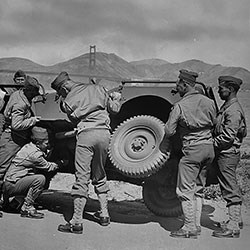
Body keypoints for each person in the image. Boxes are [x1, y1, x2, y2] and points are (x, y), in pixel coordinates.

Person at [50, 72, 121, 234]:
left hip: (86, 135)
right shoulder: (98, 88)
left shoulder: (67, 101)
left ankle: (76, 222)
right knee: (100, 173)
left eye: (60, 92)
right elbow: (114, 109)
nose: (61, 95)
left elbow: (73, 121)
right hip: (104, 134)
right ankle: (104, 215)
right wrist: (116, 98)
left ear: (63, 87)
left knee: (82, 177)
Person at [162, 69, 217, 239]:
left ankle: (189, 227)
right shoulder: (209, 102)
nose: (176, 86)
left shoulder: (180, 105)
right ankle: (197, 225)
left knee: (184, 191)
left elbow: (169, 131)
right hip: (209, 149)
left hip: (192, 150)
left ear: (185, 85)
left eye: (178, 83)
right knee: (198, 190)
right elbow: (216, 124)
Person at [212, 76, 247, 238]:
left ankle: (233, 227)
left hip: (227, 154)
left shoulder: (233, 110)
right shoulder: (228, 106)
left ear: (231, 89)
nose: (219, 90)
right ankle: (236, 219)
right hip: (226, 153)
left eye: (221, 88)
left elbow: (228, 136)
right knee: (229, 185)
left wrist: (210, 143)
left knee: (229, 188)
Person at [0, 76, 42, 210]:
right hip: (12, 140)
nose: (34, 96)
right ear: (28, 91)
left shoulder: (18, 94)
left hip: (14, 139)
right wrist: (33, 120)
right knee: (2, 169)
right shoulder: (20, 104)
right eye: (33, 94)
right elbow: (16, 124)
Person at [2, 126, 59, 218]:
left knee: (33, 177)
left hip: (11, 182)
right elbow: (49, 167)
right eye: (46, 143)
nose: (47, 146)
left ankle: (15, 203)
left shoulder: (29, 147)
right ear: (38, 143)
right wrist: (60, 163)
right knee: (40, 179)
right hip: (12, 184)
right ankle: (27, 208)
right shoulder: (35, 155)